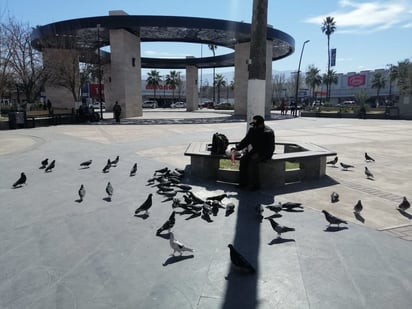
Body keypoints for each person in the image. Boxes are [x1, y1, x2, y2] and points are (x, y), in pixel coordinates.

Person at [232, 115, 275, 190]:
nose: (254, 126)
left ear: (261, 124)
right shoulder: (252, 130)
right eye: (254, 125)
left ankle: (255, 185)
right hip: (255, 151)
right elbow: (246, 140)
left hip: (265, 153)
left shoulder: (268, 132)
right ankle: (243, 183)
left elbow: (270, 147)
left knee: (253, 162)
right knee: (243, 160)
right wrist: (237, 148)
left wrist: (260, 154)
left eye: (256, 125)